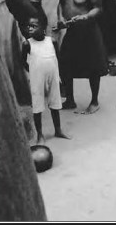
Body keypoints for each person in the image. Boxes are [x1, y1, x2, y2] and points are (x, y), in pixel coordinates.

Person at [53, 0, 108, 114]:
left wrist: (85, 17)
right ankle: (70, 99)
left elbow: (98, 8)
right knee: (65, 64)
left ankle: (94, 101)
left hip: (88, 32)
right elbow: (60, 3)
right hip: (71, 30)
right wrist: (61, 20)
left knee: (93, 66)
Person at [21, 17, 71, 145]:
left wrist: (58, 76)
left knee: (55, 102)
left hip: (53, 76)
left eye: (34, 26)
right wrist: (34, 71)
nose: (30, 28)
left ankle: (58, 130)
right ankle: (40, 135)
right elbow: (23, 62)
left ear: (43, 28)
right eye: (28, 26)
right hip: (37, 78)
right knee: (38, 106)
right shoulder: (27, 44)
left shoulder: (52, 41)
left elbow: (58, 58)